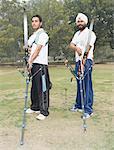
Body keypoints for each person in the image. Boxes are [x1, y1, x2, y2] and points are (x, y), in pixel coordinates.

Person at [69, 13, 96, 119]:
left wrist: (84, 59)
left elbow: (89, 47)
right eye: (78, 22)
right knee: (79, 83)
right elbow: (71, 44)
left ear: (86, 22)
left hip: (87, 60)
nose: (80, 23)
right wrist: (76, 48)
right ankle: (79, 105)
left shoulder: (90, 33)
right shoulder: (77, 34)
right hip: (78, 60)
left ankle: (88, 109)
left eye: (82, 21)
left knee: (86, 83)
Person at [26, 15, 51, 120]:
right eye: (32, 21)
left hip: (41, 64)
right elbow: (29, 48)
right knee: (34, 87)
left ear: (40, 23)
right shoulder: (33, 36)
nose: (34, 23)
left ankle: (44, 111)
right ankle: (35, 106)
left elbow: (38, 49)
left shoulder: (43, 35)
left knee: (43, 88)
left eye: (36, 21)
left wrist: (30, 61)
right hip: (33, 64)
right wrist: (28, 52)